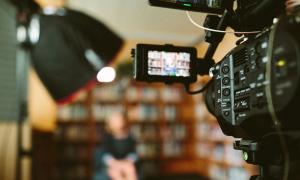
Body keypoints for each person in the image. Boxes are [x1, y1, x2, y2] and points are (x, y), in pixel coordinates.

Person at [94, 110, 139, 180]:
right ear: (109, 123)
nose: (117, 123)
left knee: (131, 171)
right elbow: (105, 154)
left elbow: (133, 153)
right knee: (115, 173)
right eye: (114, 121)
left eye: (118, 120)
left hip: (126, 163)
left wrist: (127, 162)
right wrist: (115, 163)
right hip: (113, 164)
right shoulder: (107, 138)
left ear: (123, 121)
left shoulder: (129, 137)